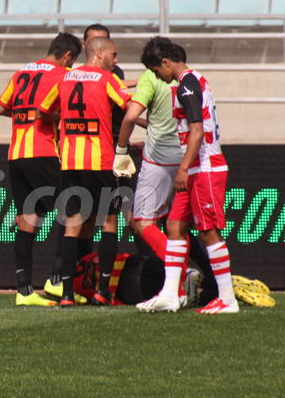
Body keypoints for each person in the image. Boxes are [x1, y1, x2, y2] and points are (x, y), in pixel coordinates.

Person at [134, 38, 238, 314]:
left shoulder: (187, 85)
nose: (159, 77)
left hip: (203, 168)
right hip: (194, 167)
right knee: (175, 225)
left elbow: (196, 130)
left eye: (157, 71)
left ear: (166, 63)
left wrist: (183, 167)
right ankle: (170, 293)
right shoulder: (194, 81)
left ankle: (227, 298)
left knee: (208, 232)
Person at [114, 37, 218, 305]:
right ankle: (213, 281)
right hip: (188, 159)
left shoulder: (150, 77)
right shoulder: (191, 80)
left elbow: (128, 116)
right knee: (181, 226)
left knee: (142, 222)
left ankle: (181, 274)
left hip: (159, 162)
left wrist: (122, 149)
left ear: (162, 63)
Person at [40, 37, 132, 307]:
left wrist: (66, 122)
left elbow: (44, 110)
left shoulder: (65, 78)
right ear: (100, 53)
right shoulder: (107, 79)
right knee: (109, 222)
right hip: (101, 161)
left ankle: (67, 294)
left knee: (73, 224)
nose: (115, 60)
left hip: (70, 161)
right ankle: (103, 291)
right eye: (113, 55)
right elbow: (129, 107)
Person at [0, 32, 82, 307]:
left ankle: (24, 292)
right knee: (74, 212)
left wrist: (22, 115)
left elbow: (1, 107)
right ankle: (57, 282)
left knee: (27, 221)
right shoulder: (61, 75)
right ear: (68, 56)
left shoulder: (22, 71)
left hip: (16, 154)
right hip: (43, 151)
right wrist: (55, 118)